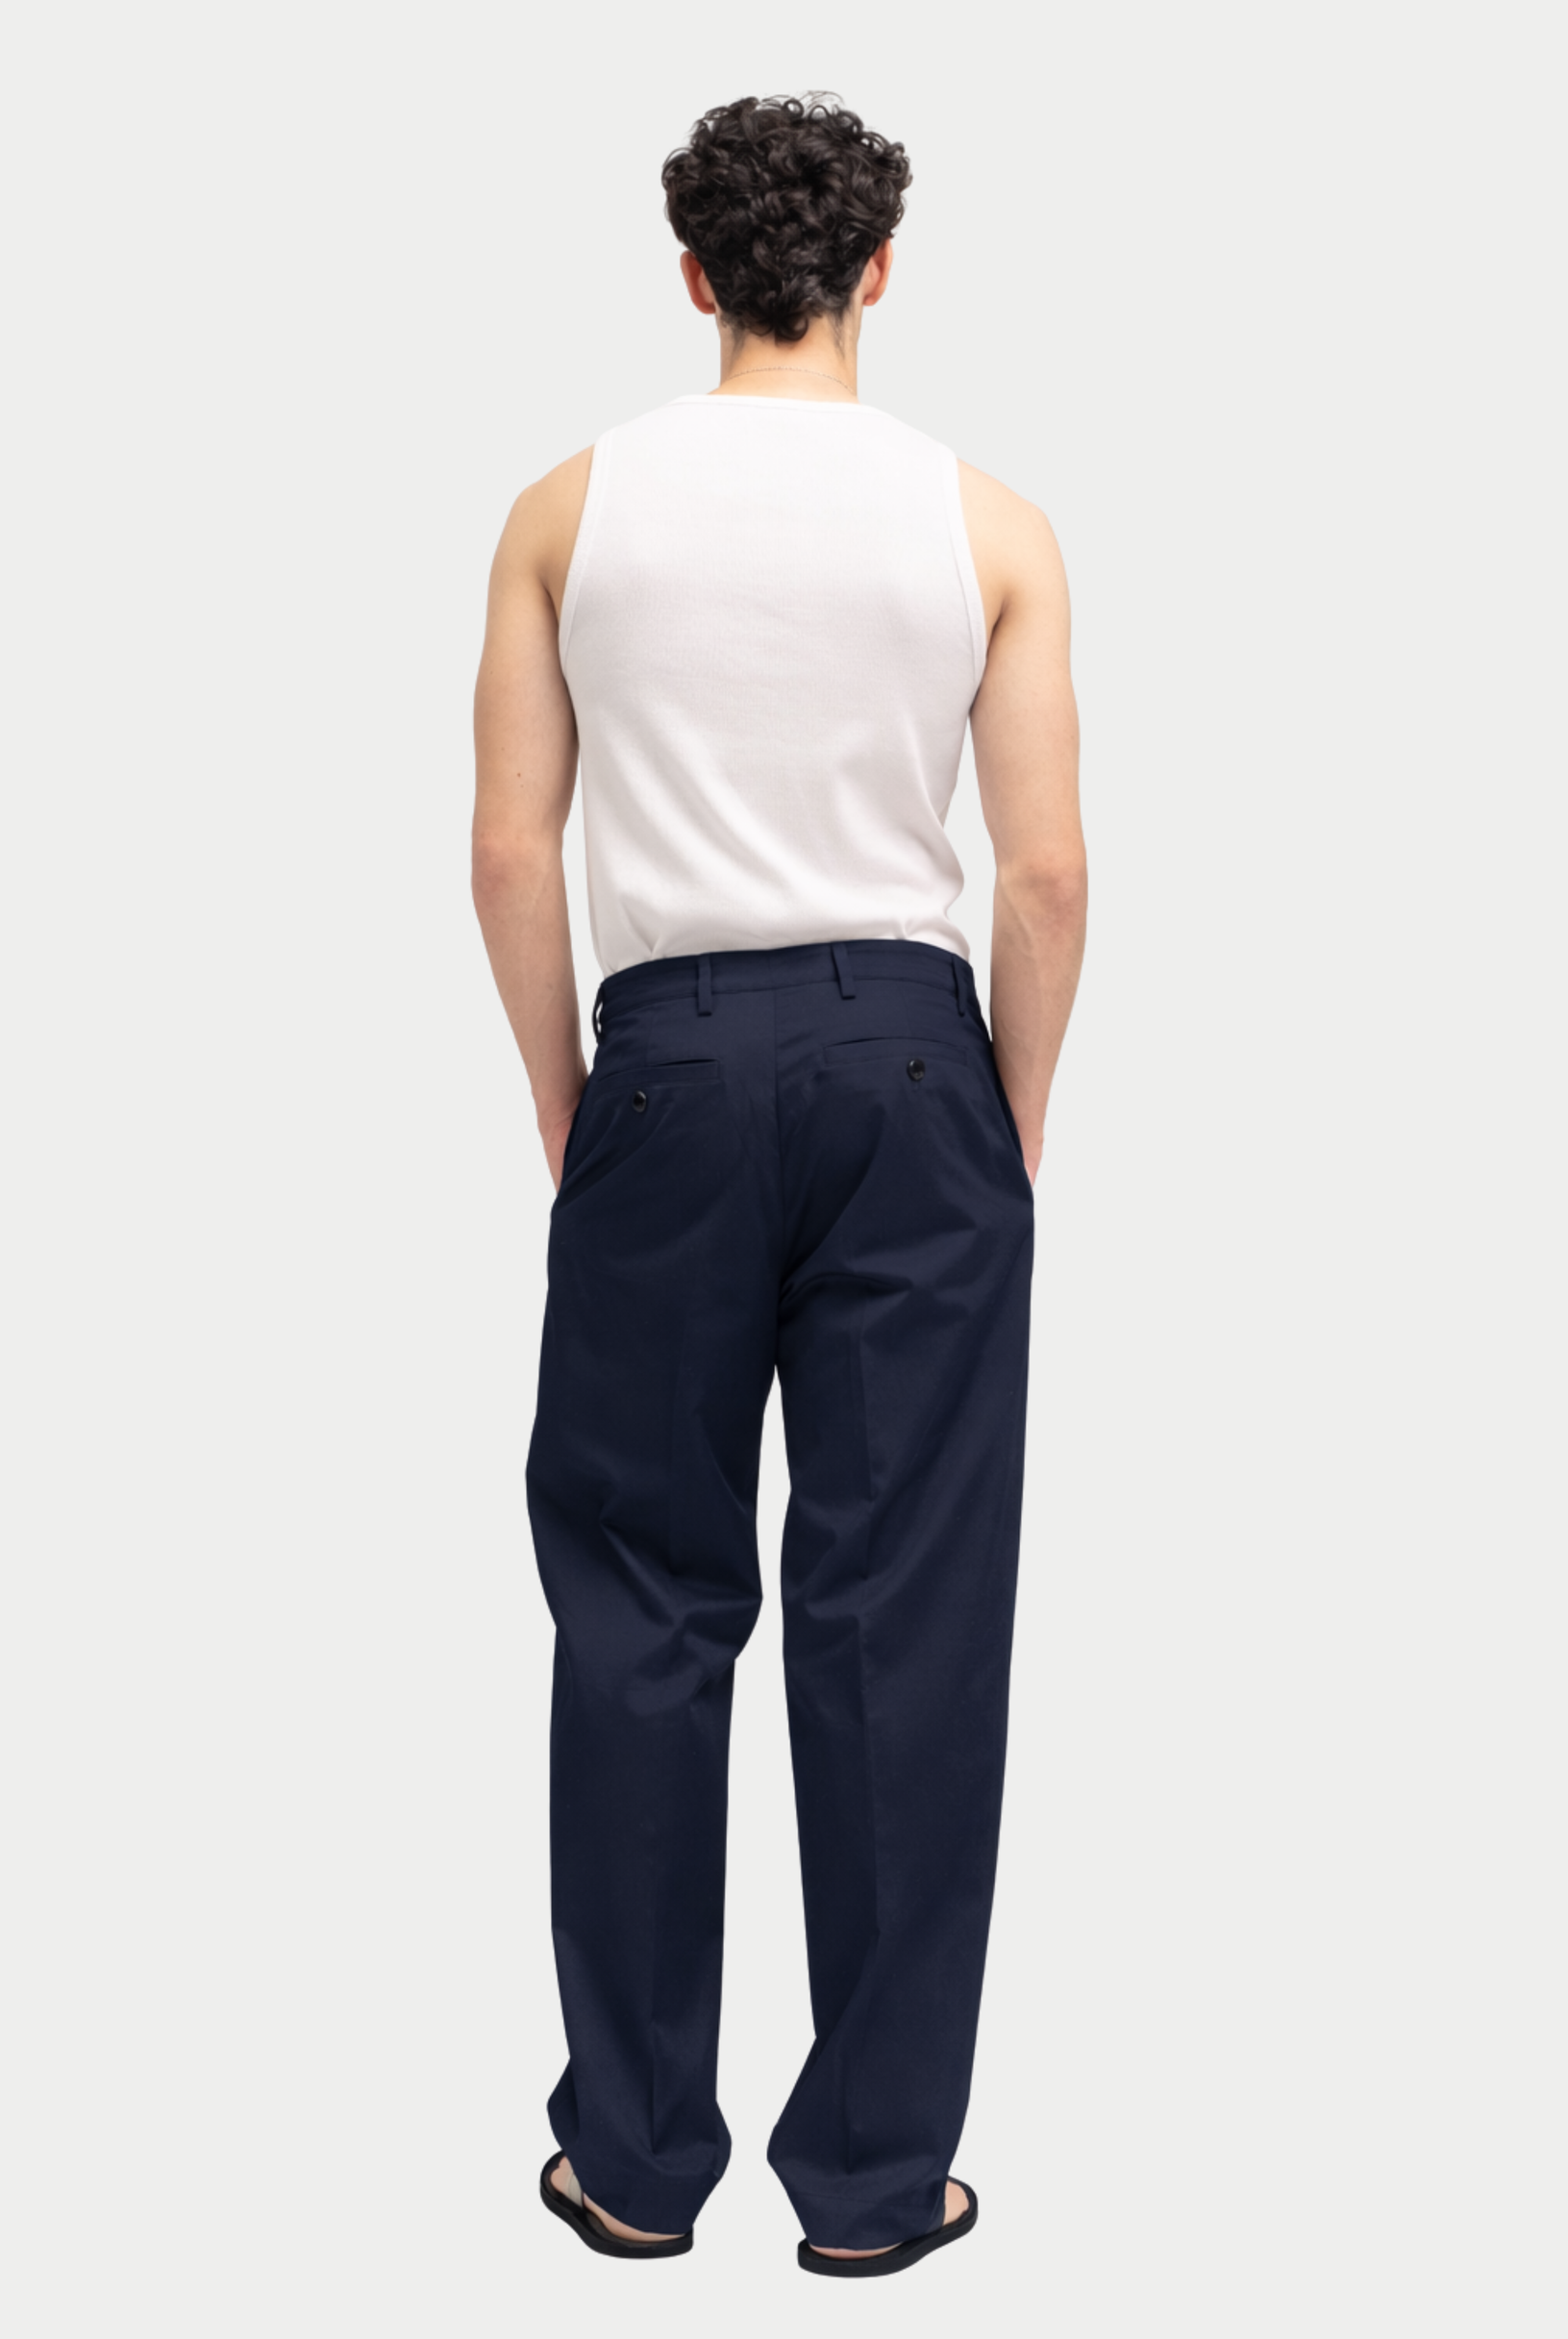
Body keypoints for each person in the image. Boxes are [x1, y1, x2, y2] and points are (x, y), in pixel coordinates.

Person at [471, 92, 1084, 2277]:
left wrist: (579, 1112)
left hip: (662, 1067)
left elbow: (509, 851)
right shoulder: (985, 524)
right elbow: (1040, 874)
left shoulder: (568, 512)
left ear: (695, 275)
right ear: (877, 272)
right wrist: (1004, 1129)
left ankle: (635, 2164)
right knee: (901, 1620)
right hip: (915, 1072)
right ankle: (876, 2185)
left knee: (641, 1613)